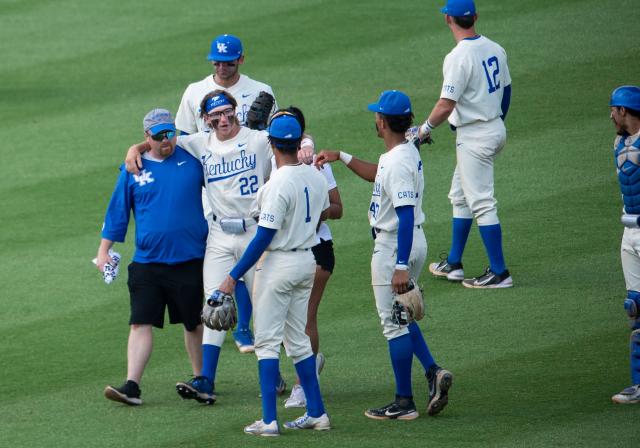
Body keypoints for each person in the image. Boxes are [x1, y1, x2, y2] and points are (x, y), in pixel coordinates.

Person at [126, 91, 286, 404]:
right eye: (216, 116)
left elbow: (294, 139)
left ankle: (276, 376)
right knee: (214, 307)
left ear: (236, 111)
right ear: (206, 120)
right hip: (219, 237)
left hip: (256, 232)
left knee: (265, 310)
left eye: (228, 113)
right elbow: (162, 140)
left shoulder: (258, 139)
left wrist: (305, 146)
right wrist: (136, 148)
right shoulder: (199, 142)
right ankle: (206, 380)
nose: (223, 120)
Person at [316, 90, 453, 420]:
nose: (374, 118)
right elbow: (378, 172)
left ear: (382, 121)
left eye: (377, 114)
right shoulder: (403, 151)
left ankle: (403, 402)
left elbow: (405, 214)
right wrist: (342, 156)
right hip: (405, 243)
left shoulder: (398, 163)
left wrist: (400, 267)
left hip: (395, 247)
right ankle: (433, 372)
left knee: (393, 325)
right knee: (402, 314)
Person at [216, 113, 330, 436]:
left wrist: (232, 276)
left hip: (278, 265)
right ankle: (317, 412)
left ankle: (268, 420)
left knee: (266, 343)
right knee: (298, 342)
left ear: (272, 144)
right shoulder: (316, 177)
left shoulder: (277, 184)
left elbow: (263, 237)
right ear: (297, 143)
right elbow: (322, 213)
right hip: (307, 260)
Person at [98, 109, 208, 405]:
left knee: (192, 322)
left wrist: (138, 146)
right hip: (147, 262)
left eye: (170, 133)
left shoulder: (192, 158)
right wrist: (103, 250)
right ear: (147, 136)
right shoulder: (133, 170)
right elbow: (118, 212)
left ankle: (202, 379)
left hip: (190, 259)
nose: (166, 140)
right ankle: (132, 386)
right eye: (158, 136)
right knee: (140, 322)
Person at [176, 34, 277, 354]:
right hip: (214, 189)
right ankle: (236, 328)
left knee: (251, 258)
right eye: (216, 61)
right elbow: (182, 139)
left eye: (228, 61)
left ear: (241, 60)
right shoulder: (194, 92)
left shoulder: (261, 90)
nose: (222, 67)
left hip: (252, 188)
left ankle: (246, 328)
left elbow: (276, 139)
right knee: (226, 254)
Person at [419, 0, 513, 288]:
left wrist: (423, 129)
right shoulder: (495, 48)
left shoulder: (458, 57)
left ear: (448, 19)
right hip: (494, 127)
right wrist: (495, 121)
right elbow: (506, 91)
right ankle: (454, 263)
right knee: (460, 195)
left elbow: (446, 104)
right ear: (475, 17)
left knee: (482, 203)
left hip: (475, 137)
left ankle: (500, 273)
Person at [280, 107, 343, 409]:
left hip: (318, 248)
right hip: (286, 250)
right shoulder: (276, 163)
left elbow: (337, 207)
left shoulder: (316, 163)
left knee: (305, 316)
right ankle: (310, 362)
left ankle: (302, 385)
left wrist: (317, 213)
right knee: (282, 319)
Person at [609, 85, 640, 404]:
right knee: (634, 307)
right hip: (628, 231)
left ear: (625, 111)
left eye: (614, 110)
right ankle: (637, 384)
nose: (611, 115)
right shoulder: (619, 141)